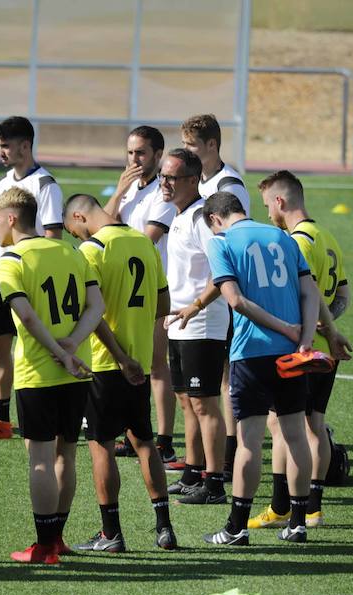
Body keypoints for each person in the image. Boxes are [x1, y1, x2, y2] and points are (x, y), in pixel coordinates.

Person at [200, 191, 351, 546]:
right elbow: (310, 292)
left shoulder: (221, 242)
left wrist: (283, 328)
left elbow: (235, 300)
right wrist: (305, 339)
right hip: (291, 355)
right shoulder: (284, 237)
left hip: (251, 353)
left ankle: (236, 527)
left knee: (250, 442)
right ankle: (298, 522)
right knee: (295, 434)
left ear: (214, 219)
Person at [0, 187, 104, 564]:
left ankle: (43, 547)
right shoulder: (71, 252)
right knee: (66, 454)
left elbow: (25, 316)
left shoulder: (11, 260)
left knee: (40, 457)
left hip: (39, 373)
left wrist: (58, 352)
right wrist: (72, 344)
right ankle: (57, 539)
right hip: (78, 371)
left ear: (10, 219)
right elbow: (96, 306)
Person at [63, 194, 177, 553]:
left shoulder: (92, 251)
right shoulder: (143, 242)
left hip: (107, 364)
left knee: (102, 446)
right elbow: (163, 304)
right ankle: (165, 528)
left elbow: (91, 313)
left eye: (74, 231)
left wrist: (120, 356)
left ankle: (111, 533)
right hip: (140, 363)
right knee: (145, 442)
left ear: (80, 216)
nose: (77, 238)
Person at [248, 171, 351, 530]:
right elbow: (342, 296)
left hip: (298, 350)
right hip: (326, 351)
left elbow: (301, 297)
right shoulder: (328, 237)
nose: (267, 215)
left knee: (282, 425)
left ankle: (281, 507)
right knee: (315, 424)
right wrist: (328, 328)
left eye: (267, 206)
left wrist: (308, 330)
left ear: (280, 201)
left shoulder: (295, 243)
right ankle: (313, 508)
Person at [0, 116, 64, 440]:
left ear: (26, 145)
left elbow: (52, 237)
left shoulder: (46, 185)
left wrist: (30, 268)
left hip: (31, 282)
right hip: (0, 281)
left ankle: (54, 414)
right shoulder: (1, 182)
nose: (2, 152)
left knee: (38, 346)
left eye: (6, 145)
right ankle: (1, 421)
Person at [102, 125, 181, 470]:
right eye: (131, 152)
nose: (135, 159)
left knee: (157, 364)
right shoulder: (132, 188)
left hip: (152, 287)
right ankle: (132, 433)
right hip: (126, 286)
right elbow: (101, 225)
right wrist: (119, 191)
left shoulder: (162, 195)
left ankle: (163, 441)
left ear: (158, 155)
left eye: (142, 153)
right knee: (130, 361)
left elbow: (144, 240)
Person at [182, 113, 252, 478]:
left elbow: (232, 241)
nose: (188, 151)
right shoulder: (204, 180)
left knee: (226, 379)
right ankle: (218, 455)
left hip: (226, 294)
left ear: (212, 145)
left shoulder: (229, 185)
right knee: (218, 379)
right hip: (212, 292)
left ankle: (228, 455)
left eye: (193, 146)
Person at [161, 149, 229, 505]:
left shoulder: (201, 218)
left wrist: (196, 306)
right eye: (163, 176)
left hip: (202, 323)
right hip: (180, 322)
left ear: (192, 180)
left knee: (204, 404)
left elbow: (223, 272)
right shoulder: (180, 215)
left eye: (171, 177)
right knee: (187, 401)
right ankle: (193, 473)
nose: (164, 183)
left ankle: (215, 483)